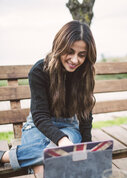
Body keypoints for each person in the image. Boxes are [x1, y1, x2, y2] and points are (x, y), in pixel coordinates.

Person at [0, 20, 97, 170]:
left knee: (57, 158)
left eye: (82, 55)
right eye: (70, 52)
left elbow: (85, 115)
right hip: (38, 126)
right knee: (46, 168)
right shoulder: (39, 71)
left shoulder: (85, 73)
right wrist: (61, 140)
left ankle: (5, 157)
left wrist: (87, 148)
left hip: (68, 127)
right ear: (59, 47)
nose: (75, 60)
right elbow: (39, 116)